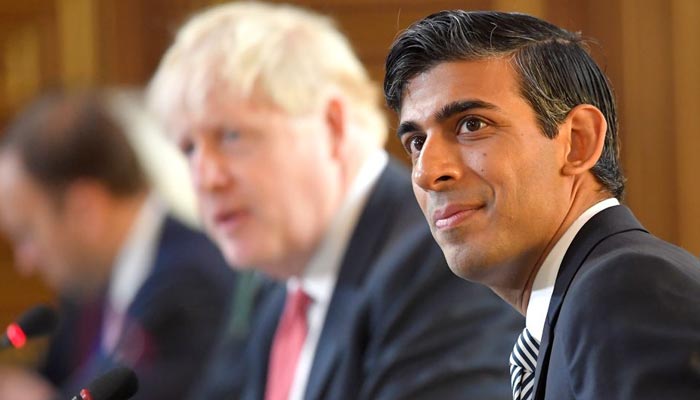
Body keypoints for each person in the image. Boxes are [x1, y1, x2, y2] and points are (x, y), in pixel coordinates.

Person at [147, 2, 523, 400]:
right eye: (189, 148)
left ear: (332, 125)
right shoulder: (276, 286)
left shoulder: (440, 259)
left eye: (231, 137)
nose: (206, 179)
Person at [383, 10, 700, 400]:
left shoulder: (627, 289)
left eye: (471, 125)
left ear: (579, 141)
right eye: (417, 143)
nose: (425, 173)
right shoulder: (583, 300)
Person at [0, 89, 236, 399]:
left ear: (84, 209)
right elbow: (52, 376)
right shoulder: (87, 284)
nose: (24, 261)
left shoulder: (190, 285)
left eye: (28, 234)